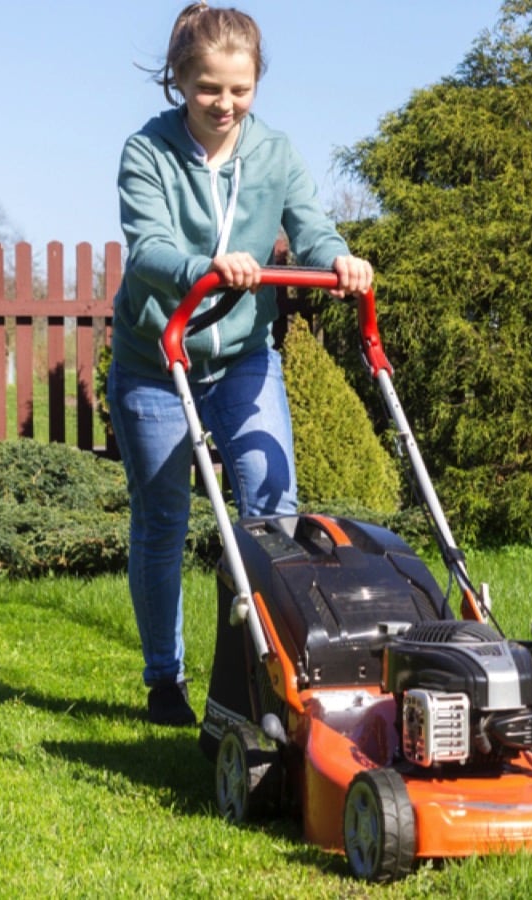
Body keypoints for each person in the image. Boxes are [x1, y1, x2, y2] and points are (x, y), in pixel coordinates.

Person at [108, 2, 373, 725]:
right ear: (178, 82)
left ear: (256, 84)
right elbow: (149, 245)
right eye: (208, 89)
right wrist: (205, 264)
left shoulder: (275, 154)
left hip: (245, 358)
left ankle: (260, 670)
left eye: (239, 90)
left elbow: (310, 224)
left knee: (272, 510)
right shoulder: (147, 153)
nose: (224, 104)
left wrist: (337, 258)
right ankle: (165, 681)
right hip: (157, 363)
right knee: (162, 519)